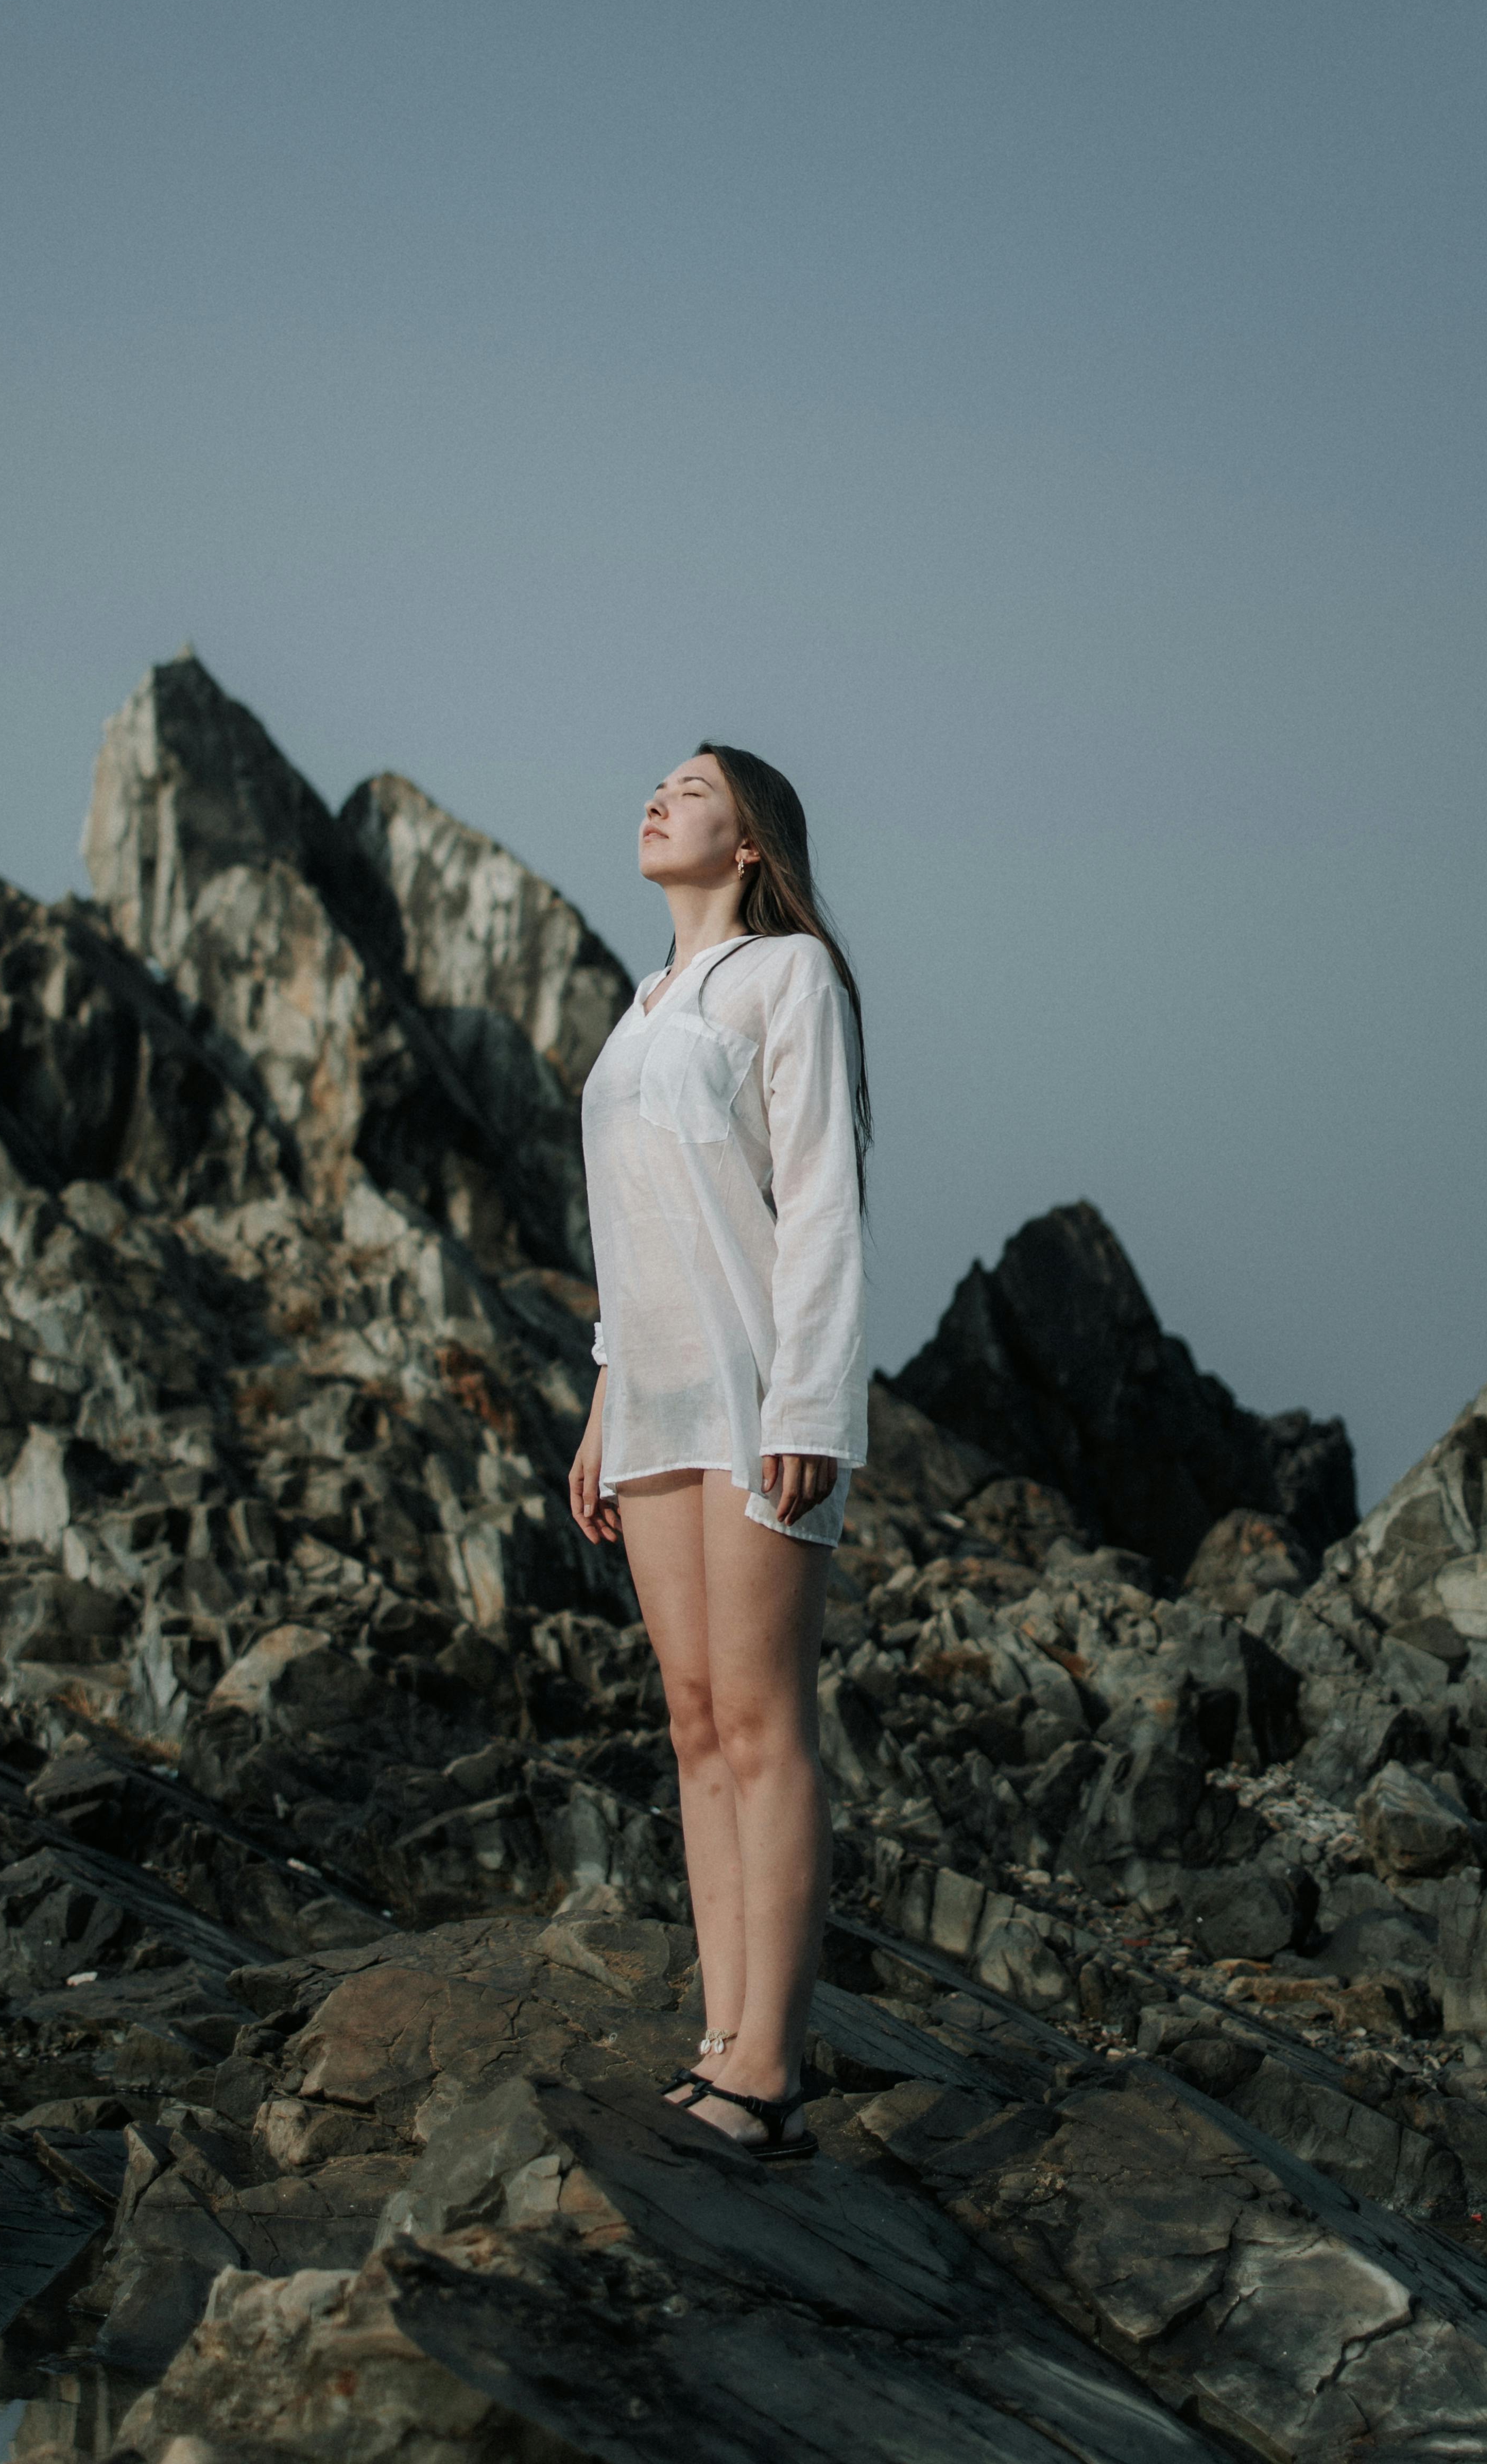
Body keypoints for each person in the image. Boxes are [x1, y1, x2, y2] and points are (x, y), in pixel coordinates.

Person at [569, 744, 869, 2162]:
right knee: (693, 1726)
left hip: (755, 1394)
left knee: (762, 1722)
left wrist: (807, 1404)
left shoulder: (785, 979)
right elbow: (633, 1233)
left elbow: (819, 1201)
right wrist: (603, 1401)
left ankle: (771, 2067)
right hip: (652, 1409)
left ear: (750, 842)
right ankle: (719, 2035)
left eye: (693, 788)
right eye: (658, 783)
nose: (659, 797)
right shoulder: (639, 1011)